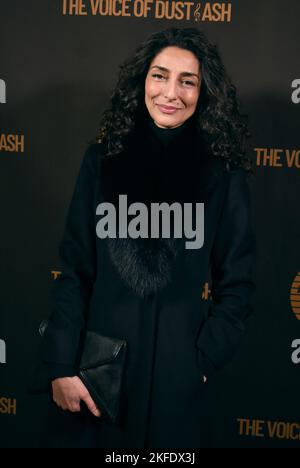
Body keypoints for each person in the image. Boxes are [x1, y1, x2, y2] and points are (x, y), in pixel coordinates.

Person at [38, 27, 256, 448]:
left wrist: (203, 361)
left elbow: (238, 285)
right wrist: (61, 365)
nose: (170, 92)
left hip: (178, 382)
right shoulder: (100, 162)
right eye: (160, 75)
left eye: (187, 81)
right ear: (142, 82)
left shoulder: (222, 176)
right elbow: (74, 271)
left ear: (202, 91)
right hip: (95, 377)